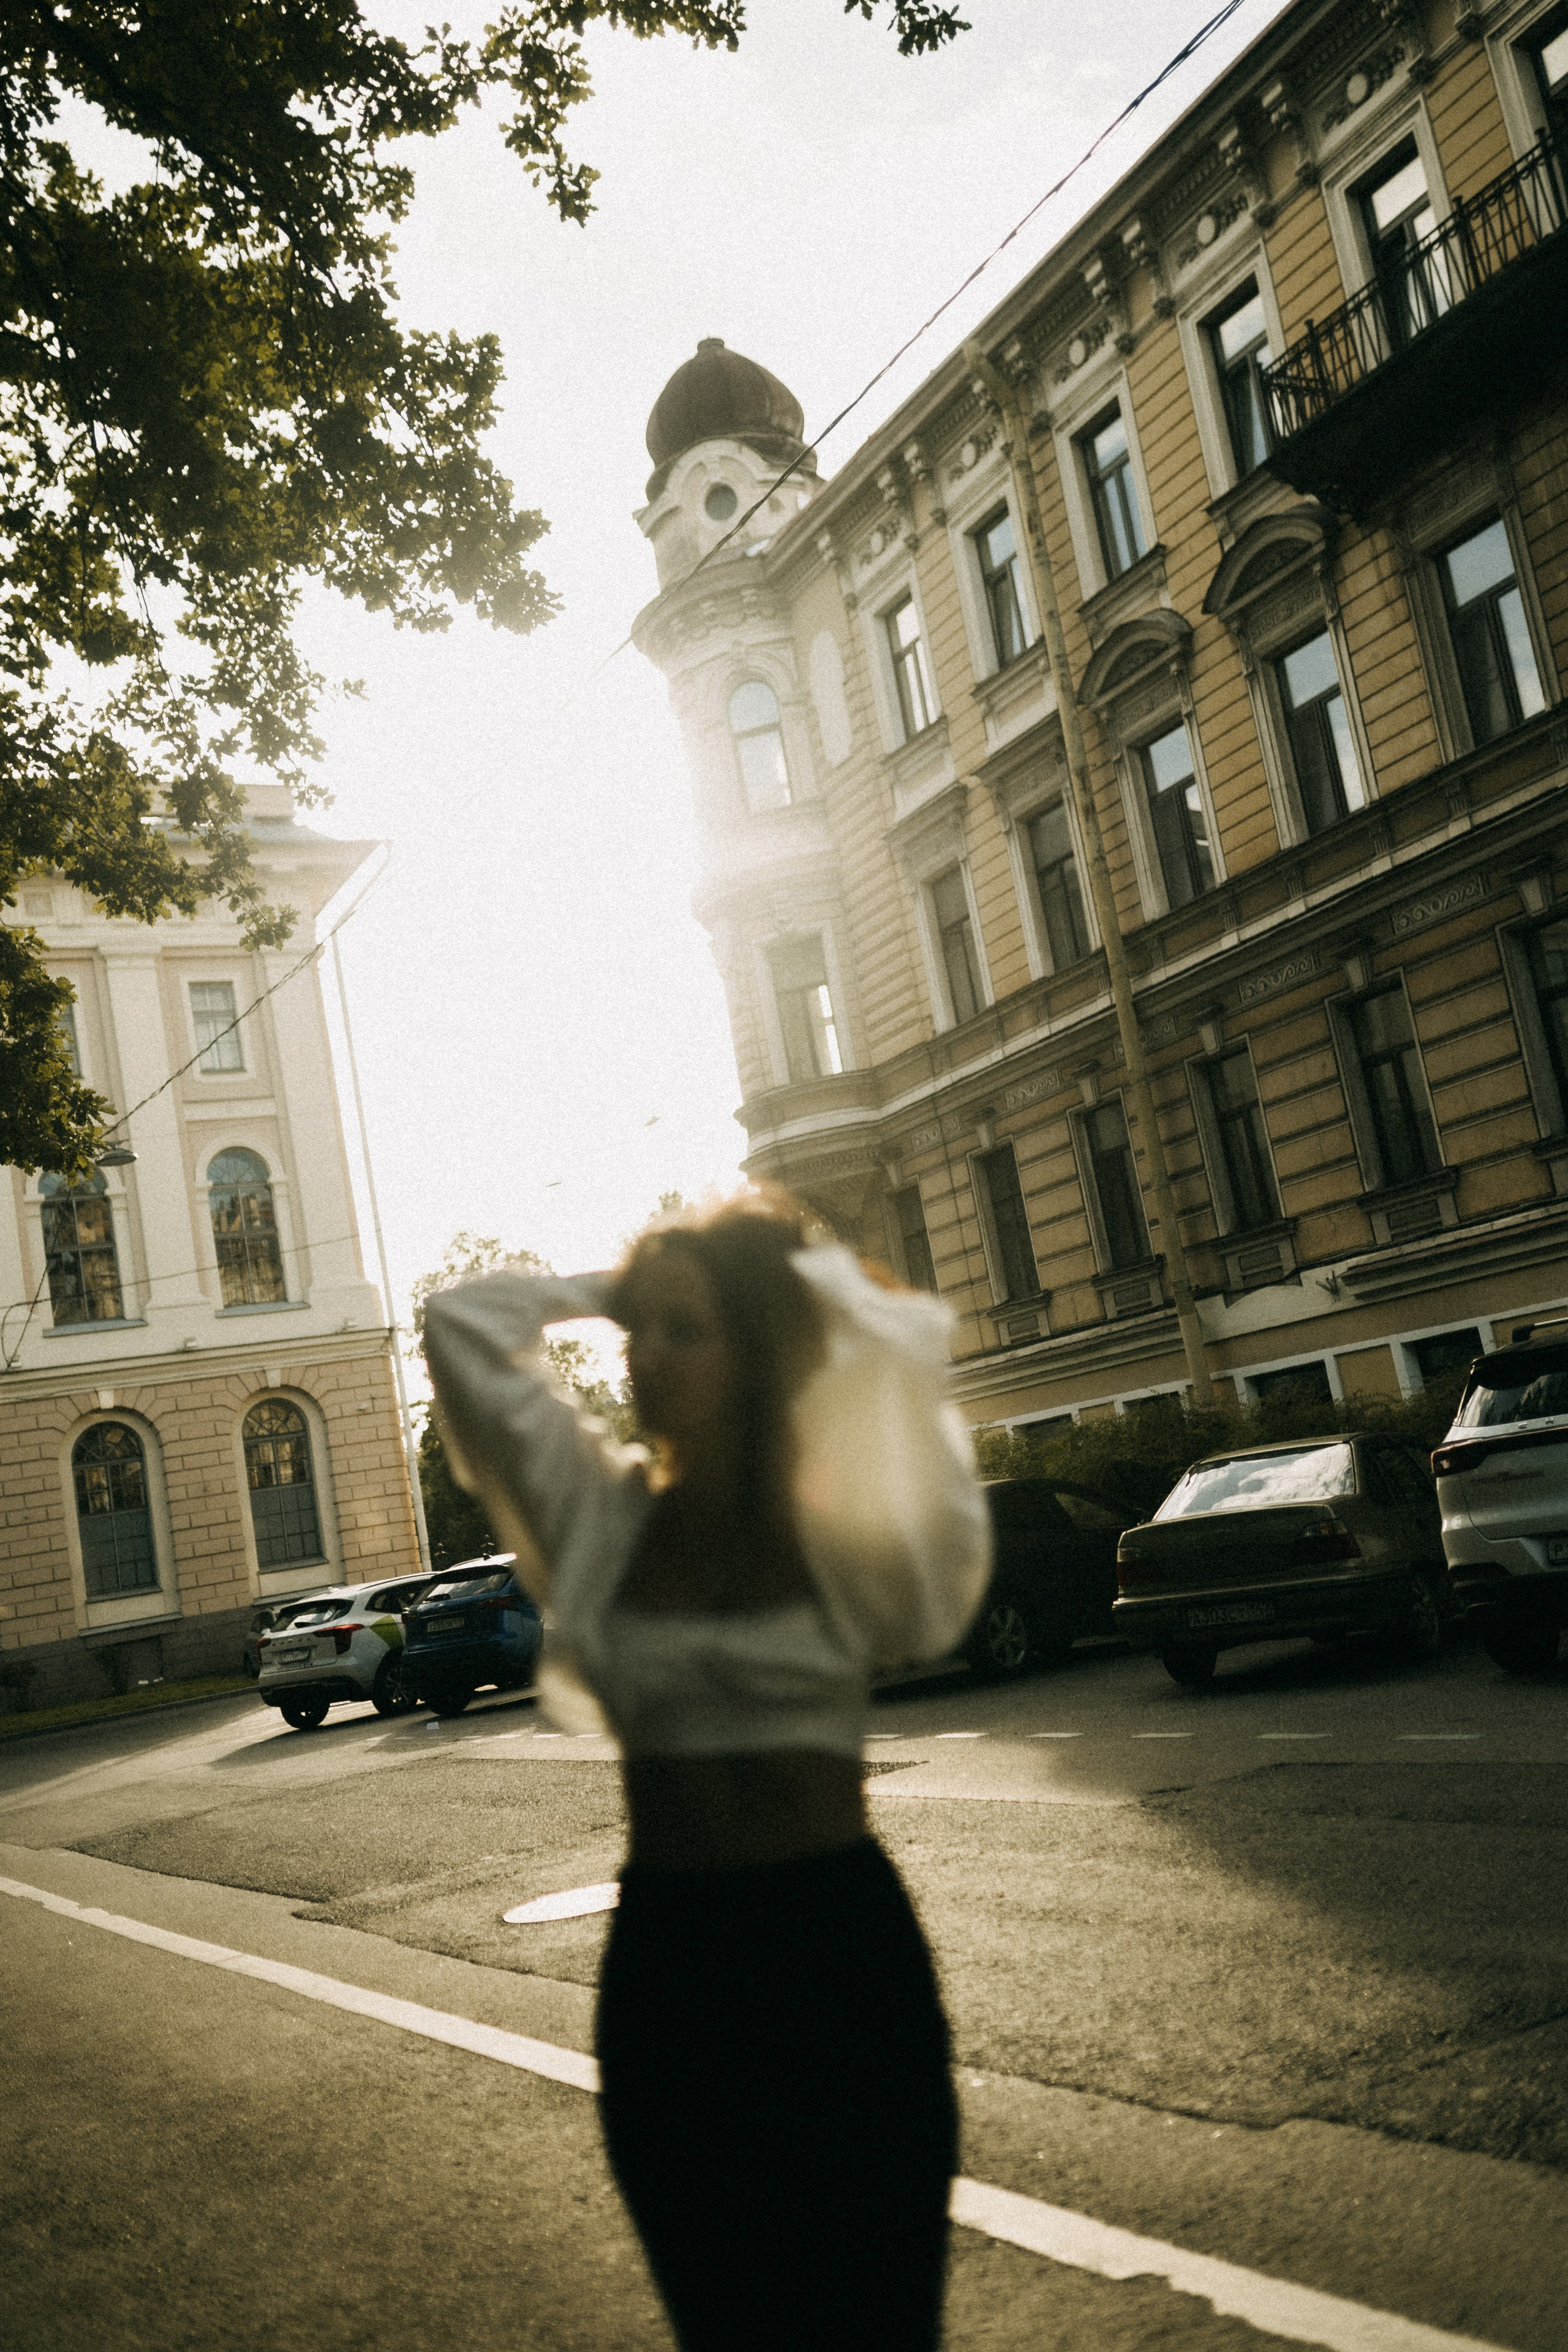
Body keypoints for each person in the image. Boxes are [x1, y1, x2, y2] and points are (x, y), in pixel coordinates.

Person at [423, 1189, 991, 2352]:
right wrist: (613, 1284)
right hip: (676, 1966)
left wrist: (781, 1274)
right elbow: (462, 1325)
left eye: (688, 1329)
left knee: (880, 2317)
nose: (647, 1355)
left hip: (838, 1954)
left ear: (756, 1341)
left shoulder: (840, 1521)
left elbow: (904, 1344)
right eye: (641, 1330)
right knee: (723, 2319)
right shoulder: (605, 1515)